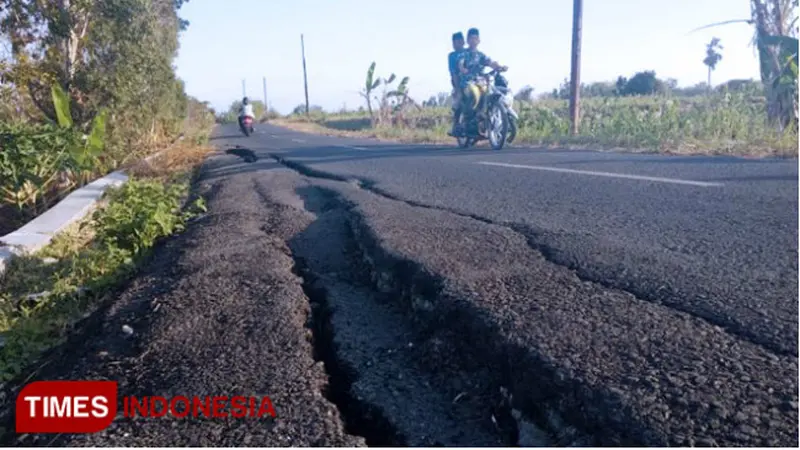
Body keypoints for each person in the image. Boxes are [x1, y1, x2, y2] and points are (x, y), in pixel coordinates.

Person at [457, 28, 507, 123]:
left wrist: (500, 67)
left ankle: (484, 115)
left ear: (479, 40)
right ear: (467, 40)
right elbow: (461, 63)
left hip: (481, 81)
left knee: (490, 91)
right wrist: (463, 69)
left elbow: (490, 62)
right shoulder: (463, 54)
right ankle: (468, 118)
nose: (473, 41)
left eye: (476, 38)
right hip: (468, 82)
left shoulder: (481, 55)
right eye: (471, 38)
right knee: (474, 92)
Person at [447, 32, 466, 137]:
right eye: (454, 42)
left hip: (473, 81)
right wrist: (457, 88)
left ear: (463, 41)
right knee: (458, 101)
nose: (457, 44)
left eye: (459, 41)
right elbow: (453, 73)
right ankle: (456, 125)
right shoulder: (452, 56)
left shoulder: (468, 52)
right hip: (458, 82)